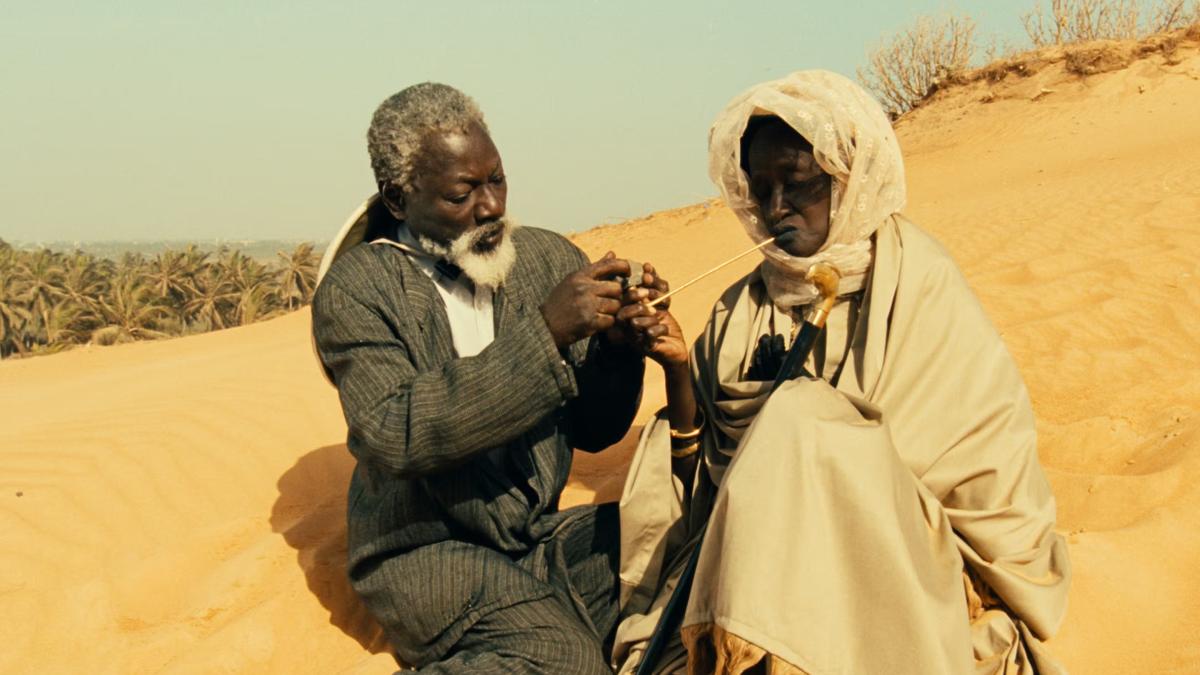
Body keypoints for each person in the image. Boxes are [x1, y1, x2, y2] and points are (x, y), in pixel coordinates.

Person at [612, 71, 1071, 675]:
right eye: (761, 187)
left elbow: (969, 484)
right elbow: (702, 488)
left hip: (909, 565)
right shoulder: (739, 308)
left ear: (851, 180)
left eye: (799, 185)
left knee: (801, 417)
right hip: (755, 564)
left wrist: (806, 440)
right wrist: (677, 367)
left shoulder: (918, 287)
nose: (776, 208)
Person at [311, 82, 659, 673]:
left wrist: (618, 352)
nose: (492, 206)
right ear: (399, 199)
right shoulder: (356, 292)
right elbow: (397, 432)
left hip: (535, 541)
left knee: (674, 540)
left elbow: (596, 430)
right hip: (425, 555)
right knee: (561, 659)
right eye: (462, 193)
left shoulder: (547, 260)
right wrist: (545, 335)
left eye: (496, 179)